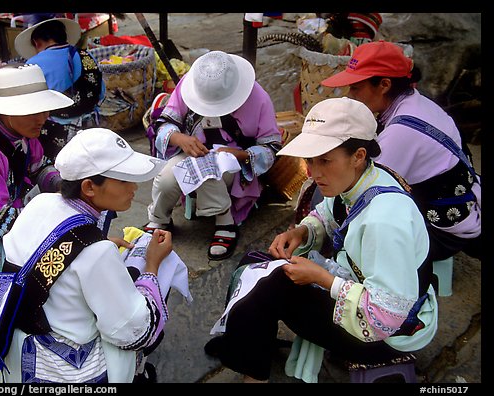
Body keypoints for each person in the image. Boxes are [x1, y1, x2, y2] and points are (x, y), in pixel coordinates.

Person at [204, 97, 437, 383]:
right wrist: (301, 232)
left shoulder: (384, 220)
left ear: (358, 155)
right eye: (310, 161)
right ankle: (244, 338)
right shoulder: (361, 179)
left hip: (385, 335)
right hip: (360, 289)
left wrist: (324, 279)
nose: (314, 173)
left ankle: (252, 370)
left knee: (270, 287)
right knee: (252, 262)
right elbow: (328, 215)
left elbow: (386, 317)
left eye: (324, 160)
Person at [0, 128, 170, 383]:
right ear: (89, 187)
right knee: (148, 307)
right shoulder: (96, 251)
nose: (134, 188)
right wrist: (152, 265)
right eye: (124, 180)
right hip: (65, 369)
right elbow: (134, 331)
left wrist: (96, 246)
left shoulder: (39, 203)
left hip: (17, 347)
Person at [320, 40, 481, 262]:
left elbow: (362, 189)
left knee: (331, 196)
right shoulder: (415, 101)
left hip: (443, 233)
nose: (349, 94)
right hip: (462, 206)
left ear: (384, 84)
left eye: (356, 87)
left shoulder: (401, 132)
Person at [145, 50, 283, 261]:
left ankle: (225, 221)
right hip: (190, 156)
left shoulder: (258, 98)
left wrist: (239, 155)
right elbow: (164, 125)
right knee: (165, 178)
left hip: (234, 166)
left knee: (209, 173)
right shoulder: (188, 85)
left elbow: (271, 148)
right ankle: (159, 218)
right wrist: (180, 138)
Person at [0, 63, 74, 292]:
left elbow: (39, 167)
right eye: (34, 111)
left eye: (44, 109)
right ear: (7, 110)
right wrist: (56, 214)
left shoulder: (23, 135)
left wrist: (63, 186)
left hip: (18, 223)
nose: (44, 118)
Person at [14, 17, 105, 163]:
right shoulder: (87, 56)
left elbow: (29, 105)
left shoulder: (33, 64)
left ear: (36, 42)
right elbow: (101, 93)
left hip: (55, 135)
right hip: (91, 130)